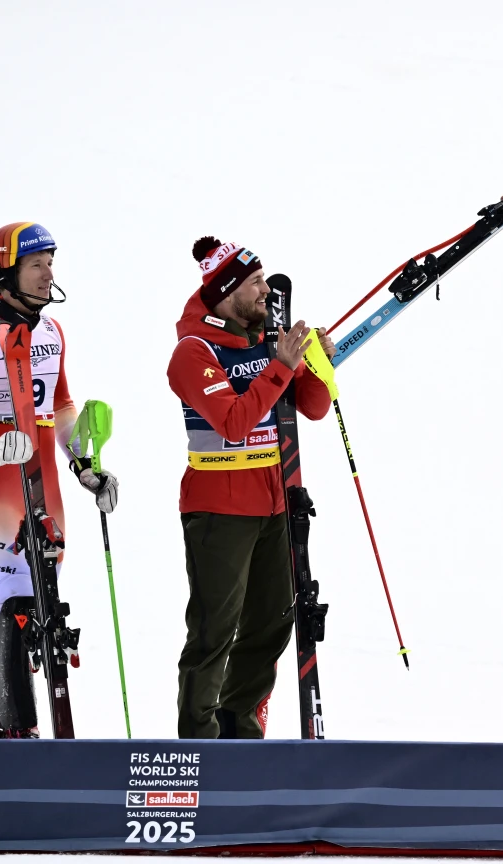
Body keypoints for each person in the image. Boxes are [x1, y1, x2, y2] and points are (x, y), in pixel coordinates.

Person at [0, 223, 118, 738]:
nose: (48, 274)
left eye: (51, 262)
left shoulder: (52, 332)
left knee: (43, 605)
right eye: (37, 264)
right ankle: (16, 729)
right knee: (17, 603)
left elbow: (61, 406)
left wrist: (85, 465)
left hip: (44, 480)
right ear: (6, 270)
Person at [165, 236, 333, 739]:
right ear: (227, 291)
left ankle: (239, 726)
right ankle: (198, 739)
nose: (265, 291)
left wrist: (317, 363)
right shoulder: (193, 352)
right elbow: (233, 423)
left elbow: (314, 407)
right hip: (219, 509)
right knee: (215, 630)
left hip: (276, 503)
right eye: (255, 283)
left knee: (271, 623)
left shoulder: (266, 341)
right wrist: (281, 365)